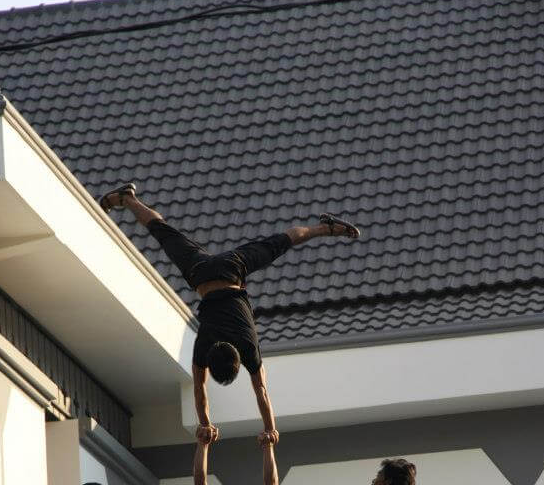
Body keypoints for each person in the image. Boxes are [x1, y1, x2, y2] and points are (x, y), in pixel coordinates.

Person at [99, 183, 360, 443]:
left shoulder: (248, 346)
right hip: (200, 272)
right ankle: (128, 199)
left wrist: (271, 429)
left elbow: (262, 391)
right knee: (164, 233)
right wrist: (205, 424)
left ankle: (325, 228)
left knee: (281, 243)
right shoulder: (203, 347)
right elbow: (200, 390)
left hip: (233, 269)